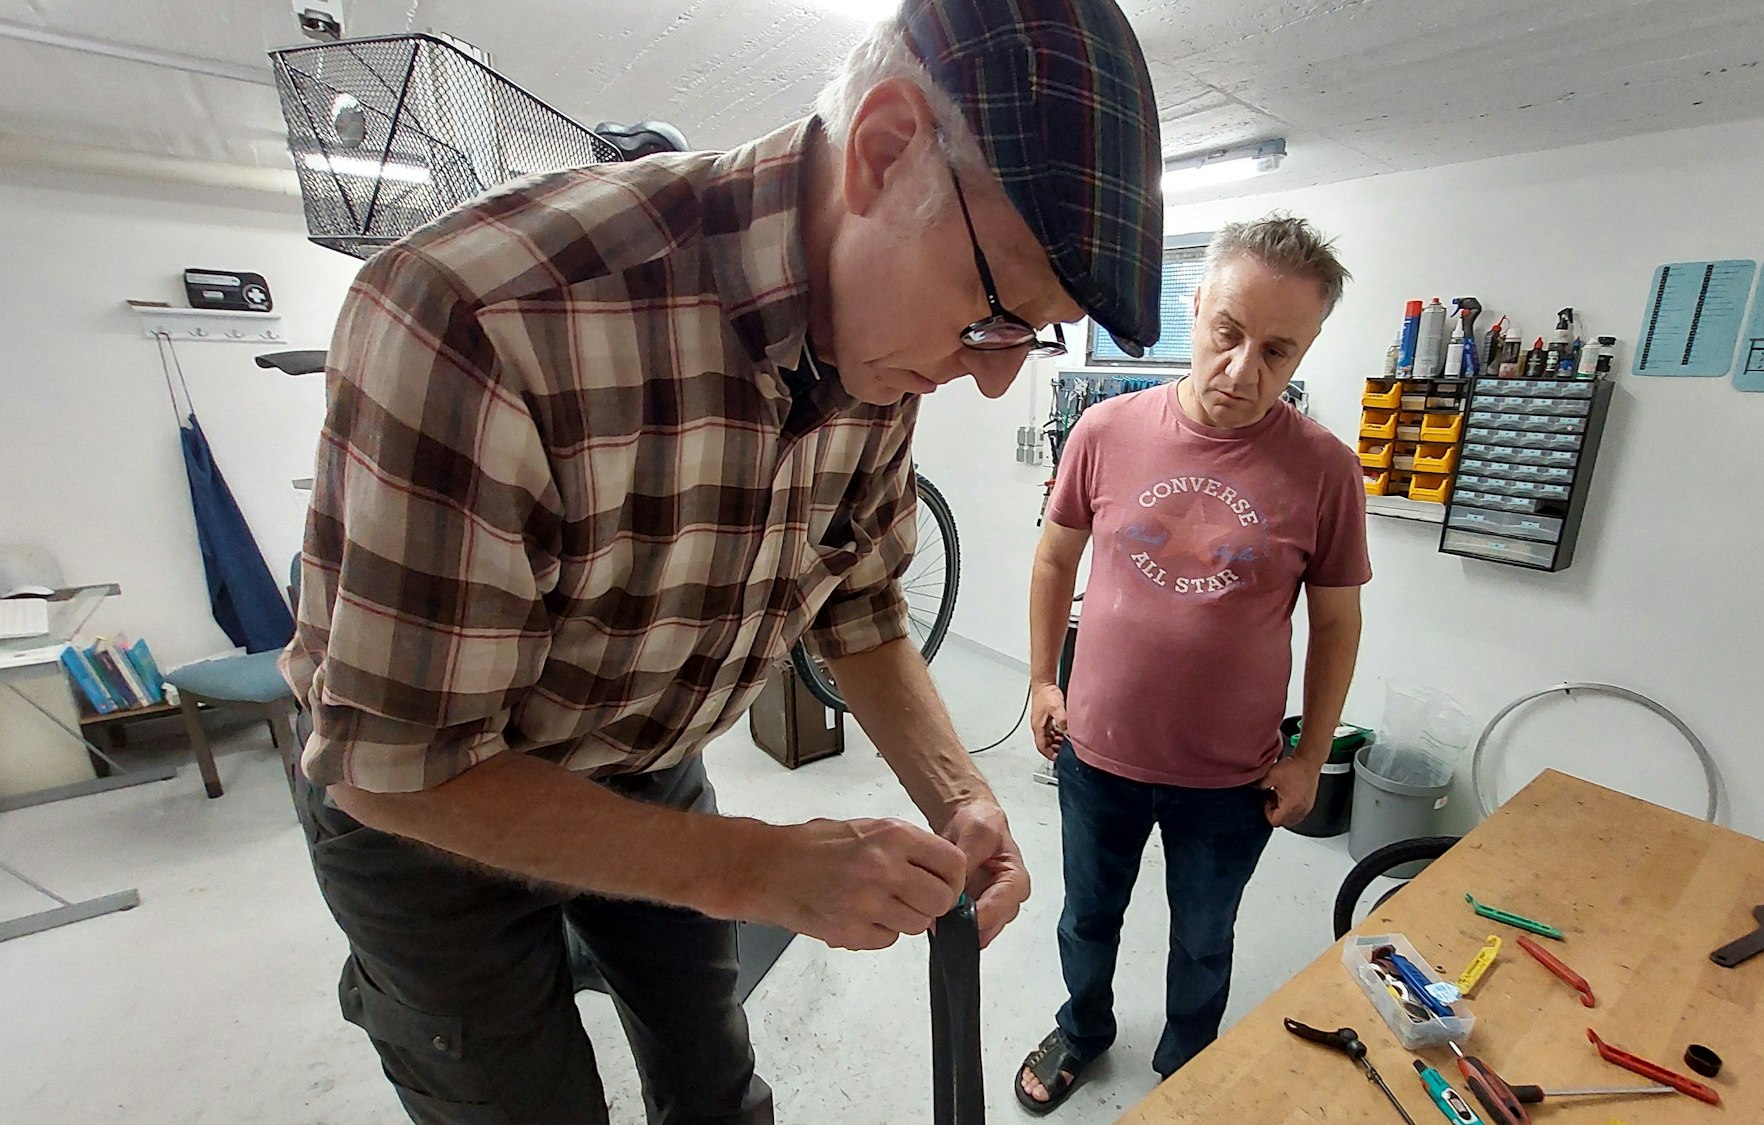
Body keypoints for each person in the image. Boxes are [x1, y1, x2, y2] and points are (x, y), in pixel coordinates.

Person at [279, 2, 1162, 1122]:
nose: (992, 380)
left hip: (646, 752)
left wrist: (958, 795)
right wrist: (753, 866)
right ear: (885, 150)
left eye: (1030, 337)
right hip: (430, 812)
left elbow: (858, 600)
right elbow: (391, 764)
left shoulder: (881, 341)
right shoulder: (478, 314)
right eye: (994, 319)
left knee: (716, 1089)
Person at [1014, 214, 1369, 1113]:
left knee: (1205, 938)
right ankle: (1083, 1028)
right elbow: (1054, 559)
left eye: (1278, 351)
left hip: (1231, 779)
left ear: (1307, 349)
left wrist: (1309, 755)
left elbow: (1336, 623)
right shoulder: (1105, 430)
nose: (1244, 371)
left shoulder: (1326, 470)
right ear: (1197, 305)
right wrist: (1043, 680)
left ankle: (1188, 1065)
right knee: (1086, 916)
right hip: (1097, 752)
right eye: (1228, 332)